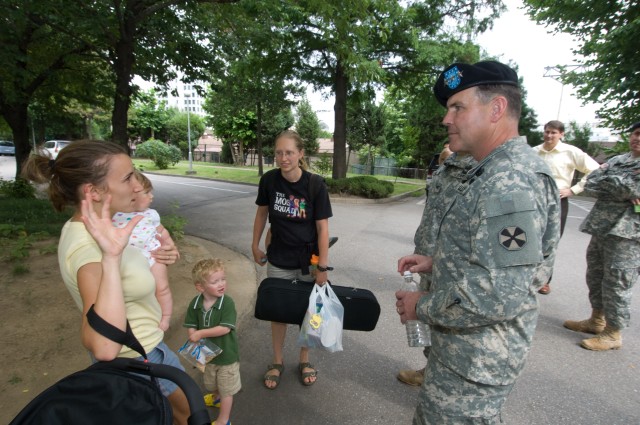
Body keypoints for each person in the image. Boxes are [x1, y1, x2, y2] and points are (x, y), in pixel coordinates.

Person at [395, 61, 560, 424]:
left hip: (476, 360)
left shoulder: (511, 180)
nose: (446, 119)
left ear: (496, 108)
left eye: (458, 107)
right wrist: (438, 262)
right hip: (463, 351)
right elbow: (496, 260)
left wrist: (421, 306)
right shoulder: (490, 170)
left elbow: (500, 294)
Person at [21, 140, 190, 425]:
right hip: (139, 357)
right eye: (127, 178)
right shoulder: (89, 249)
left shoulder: (105, 226)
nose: (137, 185)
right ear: (93, 191)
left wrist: (158, 255)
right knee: (187, 415)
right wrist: (112, 258)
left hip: (146, 349)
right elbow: (103, 346)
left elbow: (129, 271)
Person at [251, 129, 333, 389]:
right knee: (279, 313)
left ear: (300, 153)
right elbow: (262, 215)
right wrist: (255, 245)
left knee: (310, 312)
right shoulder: (269, 181)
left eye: (289, 152)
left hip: (308, 262)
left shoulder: (315, 185)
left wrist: (322, 266)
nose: (283, 157)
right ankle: (277, 361)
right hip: (278, 259)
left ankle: (305, 359)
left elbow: (323, 229)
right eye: (279, 152)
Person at [397, 152, 477, 387]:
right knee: (428, 321)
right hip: (432, 257)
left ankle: (445, 380)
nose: (448, 120)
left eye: (458, 111)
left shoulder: (482, 170)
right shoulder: (447, 167)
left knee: (449, 321)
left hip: (455, 267)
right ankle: (430, 370)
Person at [563, 122, 640, 351]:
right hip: (603, 227)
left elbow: (630, 190)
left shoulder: (613, 166)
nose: (638, 138)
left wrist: (615, 184)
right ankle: (597, 320)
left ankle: (613, 333)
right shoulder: (619, 161)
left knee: (617, 281)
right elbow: (592, 183)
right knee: (595, 274)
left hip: (628, 233)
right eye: (636, 133)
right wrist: (624, 190)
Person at [533, 120, 600, 294]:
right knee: (530, 238)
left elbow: (596, 170)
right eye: (547, 132)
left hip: (557, 201)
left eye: (553, 132)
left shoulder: (570, 152)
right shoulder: (534, 152)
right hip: (534, 201)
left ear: (561, 134)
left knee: (550, 241)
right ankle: (527, 276)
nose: (549, 136)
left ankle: (544, 280)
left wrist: (574, 189)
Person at [112, 170, 174, 331]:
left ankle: (165, 316)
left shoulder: (151, 214)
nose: (151, 196)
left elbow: (163, 232)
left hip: (153, 256)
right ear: (132, 194)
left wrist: (171, 247)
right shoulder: (115, 215)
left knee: (162, 287)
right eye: (146, 192)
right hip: (129, 261)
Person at [184, 258, 240, 425]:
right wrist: (193, 334)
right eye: (215, 281)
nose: (221, 283)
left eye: (223, 279)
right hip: (208, 355)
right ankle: (216, 398)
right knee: (212, 382)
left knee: (226, 390)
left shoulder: (227, 303)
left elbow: (225, 328)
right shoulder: (195, 303)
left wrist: (200, 333)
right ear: (200, 287)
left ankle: (224, 420)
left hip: (227, 356)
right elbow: (191, 323)